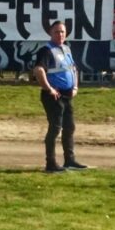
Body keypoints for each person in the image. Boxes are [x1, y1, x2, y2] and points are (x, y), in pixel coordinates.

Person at [32, 19, 87, 172]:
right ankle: (51, 163)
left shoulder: (66, 49)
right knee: (55, 128)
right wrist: (49, 89)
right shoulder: (46, 50)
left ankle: (69, 160)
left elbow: (73, 69)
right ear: (50, 33)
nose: (60, 34)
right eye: (56, 32)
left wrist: (75, 86)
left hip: (67, 95)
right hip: (54, 96)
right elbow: (38, 70)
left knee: (69, 127)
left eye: (62, 31)